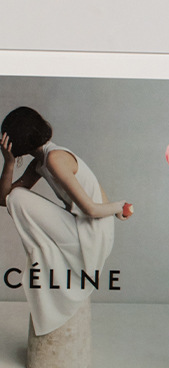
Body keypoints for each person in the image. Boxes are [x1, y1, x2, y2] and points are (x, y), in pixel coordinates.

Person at [0, 106, 132, 336]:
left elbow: (90, 209)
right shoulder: (40, 162)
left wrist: (119, 206)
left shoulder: (55, 158)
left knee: (19, 196)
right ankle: (46, 250)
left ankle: (46, 250)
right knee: (16, 196)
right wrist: (9, 162)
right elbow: (4, 199)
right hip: (79, 226)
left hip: (92, 233)